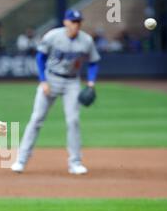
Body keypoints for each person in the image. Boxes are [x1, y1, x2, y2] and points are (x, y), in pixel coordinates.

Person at [11, 9, 101, 175]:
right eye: (73, 21)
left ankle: (75, 163)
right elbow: (40, 57)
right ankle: (21, 160)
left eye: (79, 22)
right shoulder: (53, 36)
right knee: (36, 119)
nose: (76, 24)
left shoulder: (86, 40)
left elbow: (94, 62)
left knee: (73, 121)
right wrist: (43, 80)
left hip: (72, 82)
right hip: (51, 79)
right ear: (65, 22)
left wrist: (91, 82)